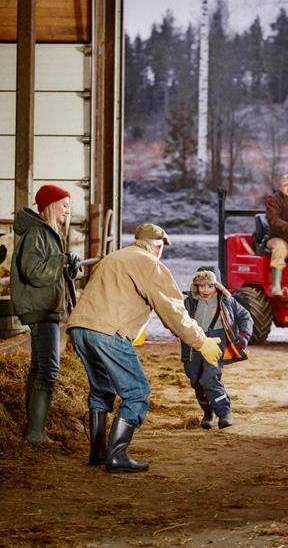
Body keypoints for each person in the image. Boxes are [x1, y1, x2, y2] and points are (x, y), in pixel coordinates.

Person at [67, 223, 222, 474]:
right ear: (157, 246)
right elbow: (173, 311)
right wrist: (201, 342)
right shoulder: (150, 264)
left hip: (79, 328)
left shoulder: (113, 257)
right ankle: (116, 456)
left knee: (101, 389)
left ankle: (97, 452)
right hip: (108, 332)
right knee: (137, 391)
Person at [11, 184, 81, 443]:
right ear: (50, 206)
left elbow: (52, 269)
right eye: (64, 205)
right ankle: (36, 432)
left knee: (39, 367)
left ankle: (34, 429)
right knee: (49, 368)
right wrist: (61, 260)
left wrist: (68, 265)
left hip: (46, 306)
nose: (67, 210)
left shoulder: (49, 233)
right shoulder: (37, 234)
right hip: (41, 308)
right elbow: (34, 272)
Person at [181, 266, 253, 430]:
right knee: (197, 382)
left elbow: (245, 317)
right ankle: (208, 413)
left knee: (209, 379)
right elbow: (178, 321)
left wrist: (243, 337)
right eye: (201, 285)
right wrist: (177, 330)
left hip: (216, 344)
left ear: (218, 286)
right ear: (196, 285)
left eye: (210, 286)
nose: (205, 290)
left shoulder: (227, 301)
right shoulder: (188, 302)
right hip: (193, 346)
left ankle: (224, 413)